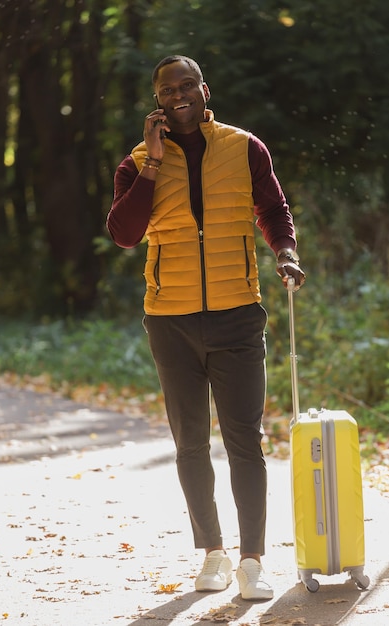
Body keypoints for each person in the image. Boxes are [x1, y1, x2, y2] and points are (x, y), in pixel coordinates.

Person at [107, 55, 305, 601]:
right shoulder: (136, 162)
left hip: (238, 311)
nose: (179, 95)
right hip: (170, 318)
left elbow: (273, 209)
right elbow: (125, 233)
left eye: (187, 85)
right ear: (158, 101)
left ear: (203, 89)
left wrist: (285, 254)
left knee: (246, 441)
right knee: (190, 442)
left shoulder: (244, 147)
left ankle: (252, 562)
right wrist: (151, 163)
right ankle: (213, 553)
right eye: (168, 90)